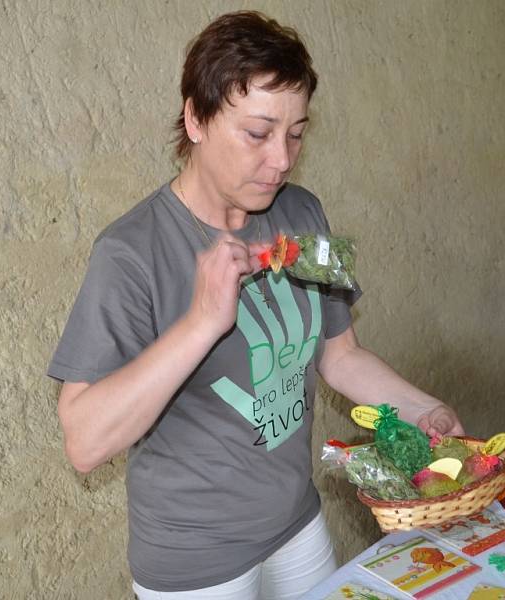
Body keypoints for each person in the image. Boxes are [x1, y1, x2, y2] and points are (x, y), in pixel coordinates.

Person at [48, 11, 463, 599]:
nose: (283, 160)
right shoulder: (130, 252)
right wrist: (199, 323)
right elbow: (84, 443)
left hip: (297, 522)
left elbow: (340, 355)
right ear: (195, 118)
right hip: (195, 558)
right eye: (257, 133)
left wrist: (425, 410)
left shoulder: (302, 214)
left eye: (296, 133)